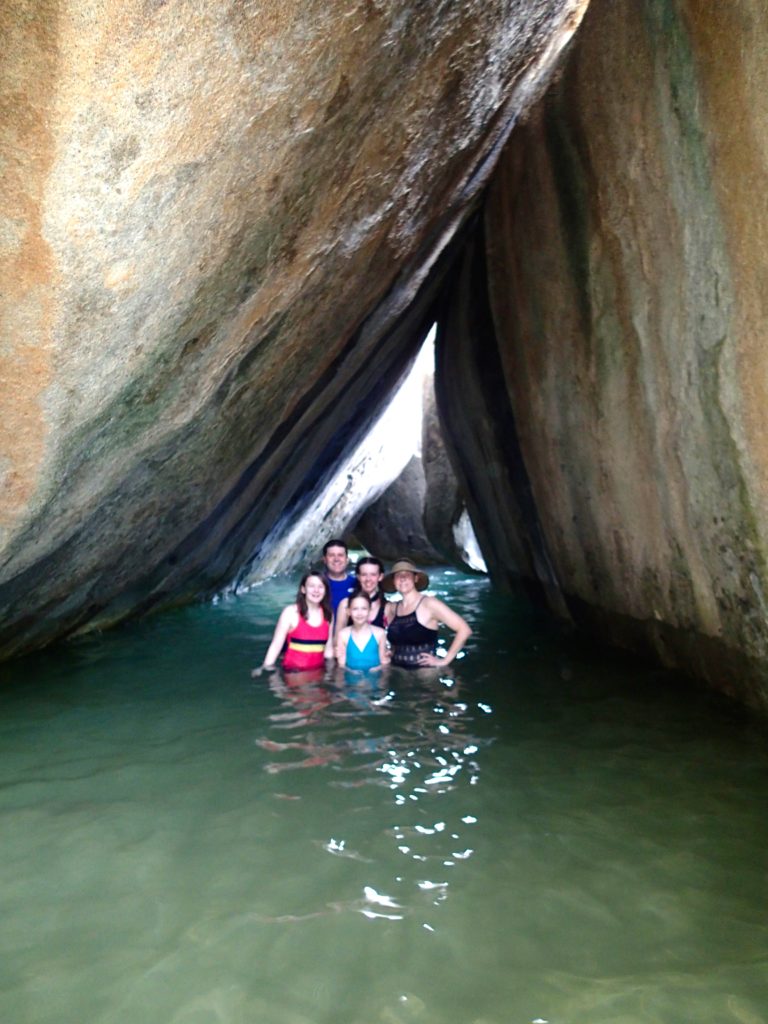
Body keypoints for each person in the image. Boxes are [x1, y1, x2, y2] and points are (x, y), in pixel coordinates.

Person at [383, 558, 472, 669]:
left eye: (407, 574)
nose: (402, 578)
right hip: (397, 671)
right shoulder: (391, 608)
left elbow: (464, 629)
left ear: (415, 578)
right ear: (393, 581)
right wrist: (386, 651)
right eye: (398, 575)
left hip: (425, 674)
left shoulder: (429, 604)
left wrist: (444, 661)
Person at [255, 572, 335, 674]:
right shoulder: (290, 612)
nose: (316, 590)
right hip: (293, 673)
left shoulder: (329, 615)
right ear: (303, 589)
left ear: (325, 591)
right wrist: (265, 667)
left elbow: (328, 649)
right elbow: (276, 645)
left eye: (320, 587)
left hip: (318, 672)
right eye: (311, 586)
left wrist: (331, 675)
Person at [334, 555, 387, 643]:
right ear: (358, 577)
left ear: (380, 577)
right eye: (364, 575)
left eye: (373, 574)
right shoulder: (345, 604)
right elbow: (337, 641)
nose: (368, 579)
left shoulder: (387, 606)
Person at [336, 593, 390, 671]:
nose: (359, 613)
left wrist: (377, 669)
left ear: (370, 610)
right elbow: (341, 666)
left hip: (374, 681)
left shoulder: (380, 634)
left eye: (364, 608)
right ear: (348, 611)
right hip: (351, 682)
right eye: (355, 609)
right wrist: (352, 672)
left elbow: (384, 663)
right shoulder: (343, 635)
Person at [322, 539, 356, 616]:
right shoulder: (316, 583)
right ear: (324, 560)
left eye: (340, 555)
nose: (336, 559)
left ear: (347, 560)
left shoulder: (357, 584)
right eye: (331, 555)